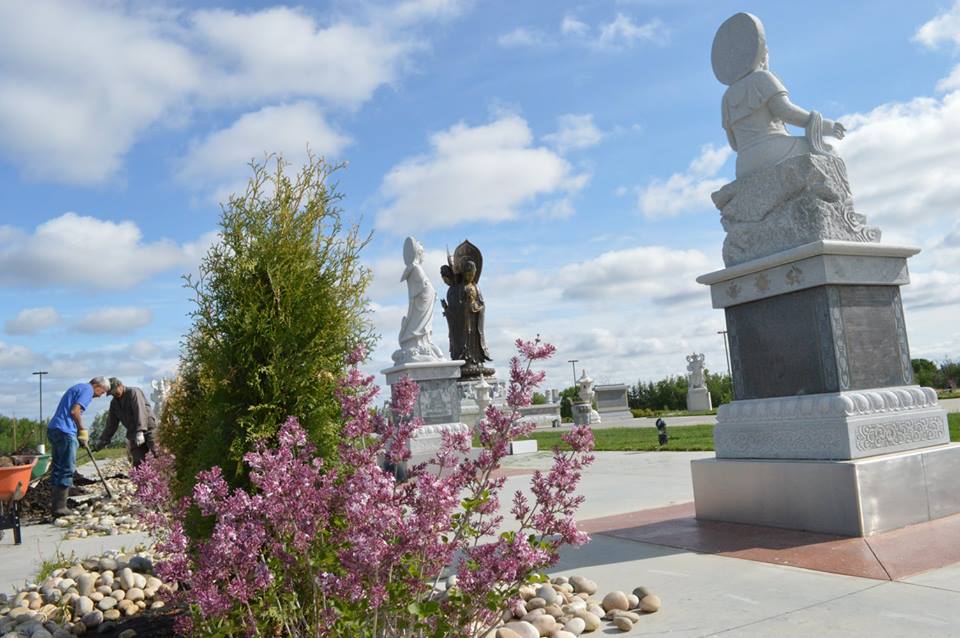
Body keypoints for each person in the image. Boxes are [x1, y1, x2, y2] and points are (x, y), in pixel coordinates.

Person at [47, 377, 111, 517]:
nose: (100, 396)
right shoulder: (88, 390)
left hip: (55, 429)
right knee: (67, 469)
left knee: (58, 468)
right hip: (65, 431)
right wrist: (82, 429)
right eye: (102, 392)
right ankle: (60, 508)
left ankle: (56, 506)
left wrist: (78, 433)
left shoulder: (79, 387)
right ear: (97, 385)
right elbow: (74, 411)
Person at [94, 377, 157, 467]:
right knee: (138, 461)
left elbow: (140, 410)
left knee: (158, 454)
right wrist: (103, 440)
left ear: (120, 385)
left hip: (149, 429)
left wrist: (140, 431)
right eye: (111, 393)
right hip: (133, 433)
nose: (114, 394)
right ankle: (142, 476)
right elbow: (111, 424)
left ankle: (166, 474)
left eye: (114, 391)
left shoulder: (133, 392)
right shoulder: (114, 403)